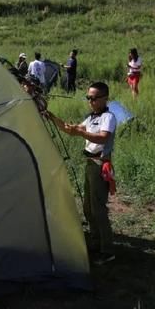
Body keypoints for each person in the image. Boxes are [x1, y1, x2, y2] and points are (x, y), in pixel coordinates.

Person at [46, 82, 117, 265]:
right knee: (88, 207)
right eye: (88, 98)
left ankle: (107, 250)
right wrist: (51, 116)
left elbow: (102, 137)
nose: (90, 101)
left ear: (104, 98)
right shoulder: (91, 117)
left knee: (99, 209)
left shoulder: (108, 117)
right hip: (90, 164)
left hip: (100, 164)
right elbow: (71, 130)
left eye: (94, 98)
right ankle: (95, 242)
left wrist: (81, 133)